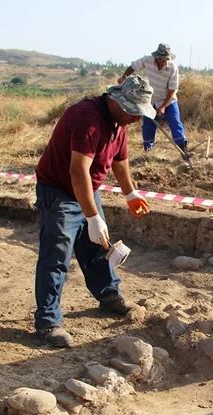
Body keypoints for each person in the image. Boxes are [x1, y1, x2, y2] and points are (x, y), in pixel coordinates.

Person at [33, 75, 155, 348]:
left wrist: (130, 193)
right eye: (134, 112)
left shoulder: (118, 122)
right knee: (56, 256)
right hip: (59, 191)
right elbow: (78, 171)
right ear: (118, 101)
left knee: (98, 247)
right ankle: (48, 322)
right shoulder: (87, 118)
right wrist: (92, 216)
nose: (137, 119)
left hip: (87, 189)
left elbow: (120, 160)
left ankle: (109, 295)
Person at [118, 43, 188, 153]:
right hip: (151, 100)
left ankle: (183, 148)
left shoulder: (172, 68)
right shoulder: (147, 60)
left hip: (168, 100)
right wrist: (123, 77)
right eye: (161, 59)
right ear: (156, 57)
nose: (163, 62)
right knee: (148, 125)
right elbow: (132, 67)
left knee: (175, 122)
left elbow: (172, 90)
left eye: (165, 59)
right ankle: (148, 149)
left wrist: (163, 106)